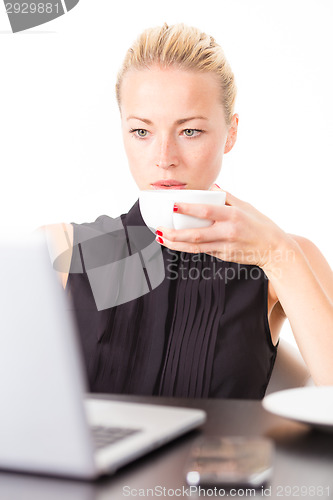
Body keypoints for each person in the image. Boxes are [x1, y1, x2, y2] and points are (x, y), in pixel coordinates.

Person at [45, 23, 333, 398]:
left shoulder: (286, 258)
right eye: (142, 132)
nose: (164, 159)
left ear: (230, 133)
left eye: (190, 131)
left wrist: (277, 255)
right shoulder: (62, 250)